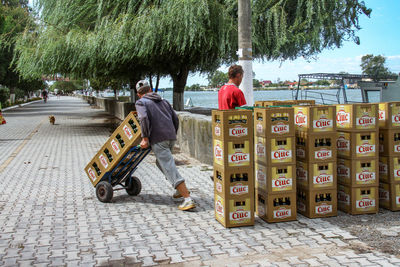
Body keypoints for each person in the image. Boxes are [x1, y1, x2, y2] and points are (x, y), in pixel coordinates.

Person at [135, 80, 196, 211]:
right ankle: (179, 189)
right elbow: (175, 118)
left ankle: (187, 198)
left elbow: (144, 119)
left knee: (168, 166)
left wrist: (145, 138)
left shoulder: (141, 102)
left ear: (138, 94)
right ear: (150, 89)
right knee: (161, 163)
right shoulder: (163, 101)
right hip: (170, 136)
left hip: (158, 138)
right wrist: (172, 132)